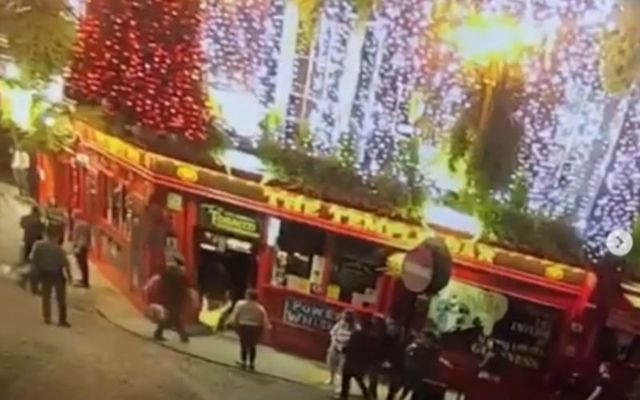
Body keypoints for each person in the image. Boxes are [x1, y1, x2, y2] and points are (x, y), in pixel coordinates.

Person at [31, 226, 72, 327]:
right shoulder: (60, 250)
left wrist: (34, 277)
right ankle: (62, 320)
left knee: (46, 296)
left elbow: (34, 261)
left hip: (44, 273)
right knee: (61, 298)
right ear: (57, 237)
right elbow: (65, 264)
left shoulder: (39, 246)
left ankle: (47, 317)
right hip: (56, 274)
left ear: (46, 234)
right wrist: (69, 277)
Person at [399, 330, 452, 400]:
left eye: (429, 339)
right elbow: (409, 359)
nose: (427, 340)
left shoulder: (434, 350)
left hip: (427, 379)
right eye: (425, 338)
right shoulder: (415, 347)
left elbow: (437, 361)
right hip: (416, 375)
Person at [228, 289, 271, 371]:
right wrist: (266, 328)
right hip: (255, 328)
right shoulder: (260, 308)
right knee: (252, 345)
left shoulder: (240, 304)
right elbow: (264, 319)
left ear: (247, 296)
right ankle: (251, 363)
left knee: (243, 344)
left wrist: (233, 323)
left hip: (244, 326)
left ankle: (243, 362)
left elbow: (236, 314)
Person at [154, 260, 190, 343]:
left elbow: (162, 286)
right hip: (176, 300)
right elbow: (184, 288)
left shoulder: (166, 275)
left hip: (168, 299)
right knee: (174, 318)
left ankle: (183, 336)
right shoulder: (179, 276)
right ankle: (183, 336)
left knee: (175, 318)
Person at [339, 316, 372, 400]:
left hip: (351, 360)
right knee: (359, 380)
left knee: (346, 379)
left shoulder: (356, 334)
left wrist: (344, 350)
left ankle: (344, 396)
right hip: (360, 363)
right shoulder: (370, 338)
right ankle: (367, 395)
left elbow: (350, 345)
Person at [327, 310, 358, 386]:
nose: (344, 318)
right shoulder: (340, 324)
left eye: (347, 316)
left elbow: (356, 339)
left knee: (342, 367)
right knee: (331, 363)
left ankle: (341, 384)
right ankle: (331, 378)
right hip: (335, 346)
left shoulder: (356, 327)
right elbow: (333, 333)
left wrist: (346, 345)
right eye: (344, 316)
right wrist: (334, 342)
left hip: (346, 350)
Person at [18, 206, 44, 294]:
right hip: (35, 244)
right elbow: (42, 233)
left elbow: (21, 224)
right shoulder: (40, 221)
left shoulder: (26, 218)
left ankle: (23, 278)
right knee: (34, 262)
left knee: (26, 259)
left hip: (27, 241)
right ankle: (26, 280)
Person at [367, 316, 388, 399]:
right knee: (372, 377)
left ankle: (372, 393)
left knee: (373, 377)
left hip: (377, 358)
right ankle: (371, 393)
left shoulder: (380, 334)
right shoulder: (376, 332)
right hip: (375, 357)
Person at [72, 210, 91, 288]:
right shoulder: (85, 224)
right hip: (84, 246)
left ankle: (85, 281)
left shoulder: (79, 225)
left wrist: (77, 248)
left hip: (80, 246)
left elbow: (81, 238)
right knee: (83, 264)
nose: (72, 216)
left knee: (82, 264)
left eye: (73, 214)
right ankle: (84, 279)